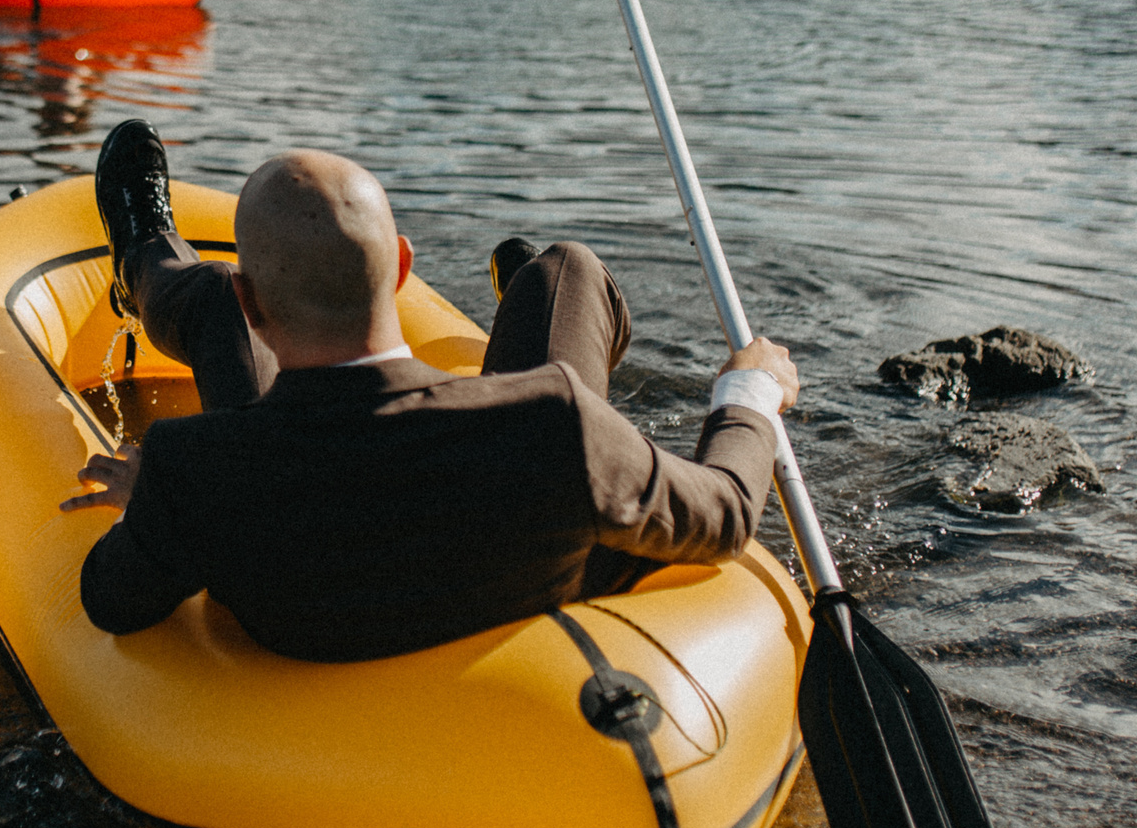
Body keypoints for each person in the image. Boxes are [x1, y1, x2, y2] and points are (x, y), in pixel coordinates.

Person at [61, 119, 796, 664]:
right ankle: (517, 302)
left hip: (286, 470)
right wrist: (748, 392)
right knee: (563, 269)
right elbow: (726, 511)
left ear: (260, 308)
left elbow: (111, 598)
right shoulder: (555, 420)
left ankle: (144, 255)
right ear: (405, 267)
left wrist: (154, 506)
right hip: (503, 497)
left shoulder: (198, 466)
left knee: (206, 295)